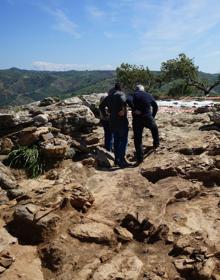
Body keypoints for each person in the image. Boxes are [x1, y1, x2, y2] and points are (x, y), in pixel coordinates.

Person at [99, 83, 129, 168]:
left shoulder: (109, 96)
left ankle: (116, 160)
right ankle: (122, 160)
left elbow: (101, 106)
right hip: (121, 121)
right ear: (120, 88)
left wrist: (105, 116)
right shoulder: (120, 94)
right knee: (123, 141)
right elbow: (124, 101)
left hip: (112, 122)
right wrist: (123, 110)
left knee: (116, 141)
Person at [129, 84, 159, 164]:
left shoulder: (133, 95)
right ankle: (156, 144)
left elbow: (128, 100)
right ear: (143, 90)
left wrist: (134, 108)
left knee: (138, 139)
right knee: (154, 128)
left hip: (137, 119)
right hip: (147, 117)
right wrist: (153, 116)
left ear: (136, 89)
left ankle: (140, 159)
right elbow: (155, 106)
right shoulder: (148, 95)